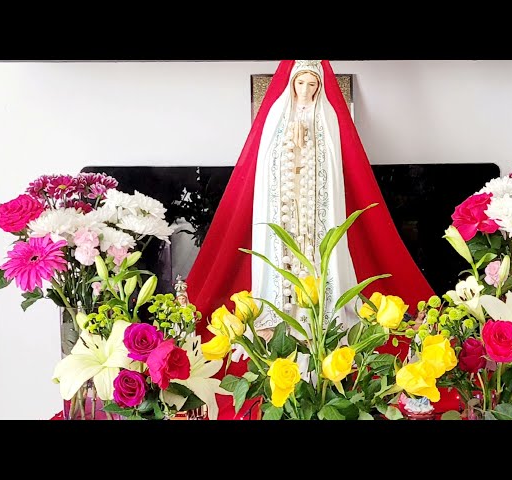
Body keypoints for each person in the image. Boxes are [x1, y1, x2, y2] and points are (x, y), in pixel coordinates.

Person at [185, 60, 436, 419]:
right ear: (292, 84)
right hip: (285, 209)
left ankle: (323, 327)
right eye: (301, 83)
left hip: (317, 212)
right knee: (285, 266)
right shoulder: (276, 115)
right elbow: (267, 168)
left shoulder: (327, 116)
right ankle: (279, 325)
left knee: (318, 262)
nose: (306, 90)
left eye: (312, 85)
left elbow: (332, 170)